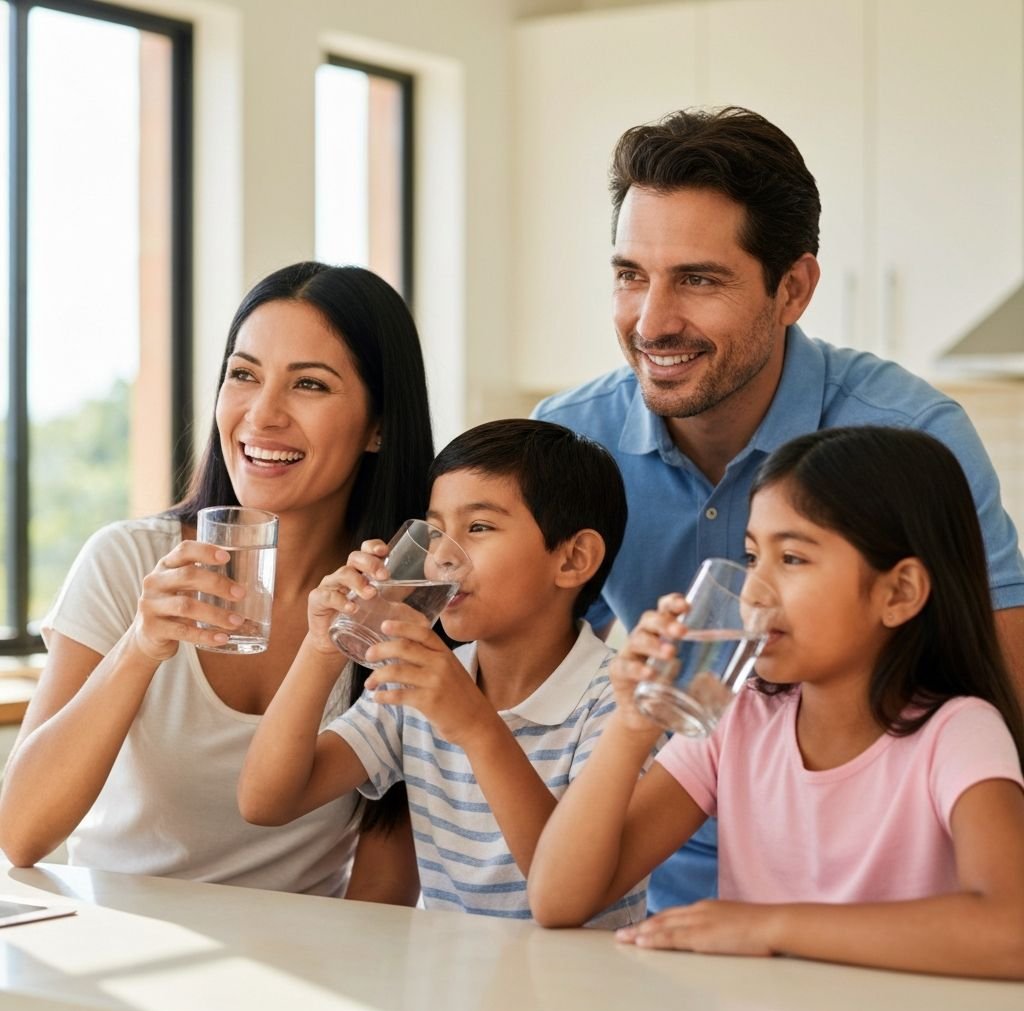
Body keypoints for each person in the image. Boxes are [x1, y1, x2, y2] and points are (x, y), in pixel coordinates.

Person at [531, 105, 1024, 912]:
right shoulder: (567, 442)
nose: (651, 322)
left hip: (899, 893)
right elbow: (517, 680)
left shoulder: (912, 441)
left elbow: (1003, 697)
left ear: (792, 288)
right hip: (663, 883)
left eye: (697, 278)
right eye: (630, 275)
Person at [0, 261, 432, 902]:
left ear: (379, 426)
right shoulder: (126, 561)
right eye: (243, 375)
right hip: (119, 956)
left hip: (301, 972)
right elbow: (21, 833)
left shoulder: (396, 601)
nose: (262, 414)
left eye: (309, 384)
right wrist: (141, 646)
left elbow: (384, 889)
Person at [529, 426, 1024, 979]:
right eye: (750, 555)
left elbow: (1012, 931)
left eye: (791, 558)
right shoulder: (738, 718)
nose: (753, 591)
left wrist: (768, 927)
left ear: (899, 593)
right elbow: (559, 899)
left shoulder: (957, 733)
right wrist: (631, 724)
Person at [238, 418, 652, 925]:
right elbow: (266, 800)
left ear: (573, 559)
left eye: (478, 527)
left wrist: (476, 727)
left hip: (583, 992)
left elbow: (570, 891)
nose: (440, 559)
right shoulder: (421, 682)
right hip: (451, 987)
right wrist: (321, 649)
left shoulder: (621, 702)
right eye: (435, 531)